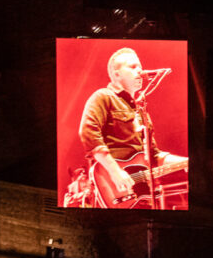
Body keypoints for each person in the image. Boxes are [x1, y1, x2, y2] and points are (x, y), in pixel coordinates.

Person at [78, 48, 188, 208]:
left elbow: (154, 155)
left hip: (143, 193)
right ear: (116, 75)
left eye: (140, 66)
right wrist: (115, 172)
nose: (140, 71)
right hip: (115, 185)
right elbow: (88, 132)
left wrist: (185, 163)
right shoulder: (103, 97)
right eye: (133, 67)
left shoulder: (140, 110)